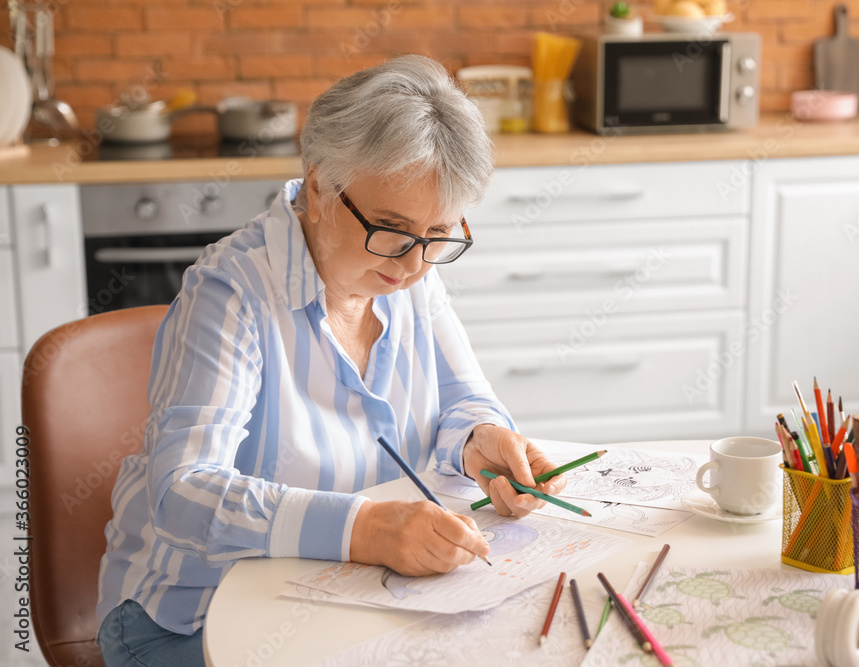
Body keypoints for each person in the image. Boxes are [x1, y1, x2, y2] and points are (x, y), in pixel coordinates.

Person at [96, 55, 566, 667]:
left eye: (438, 235)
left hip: (344, 597)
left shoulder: (410, 273)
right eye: (393, 230)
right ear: (319, 188)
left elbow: (462, 400)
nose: (414, 264)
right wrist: (365, 529)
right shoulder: (231, 292)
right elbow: (183, 494)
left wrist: (481, 441)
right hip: (191, 615)